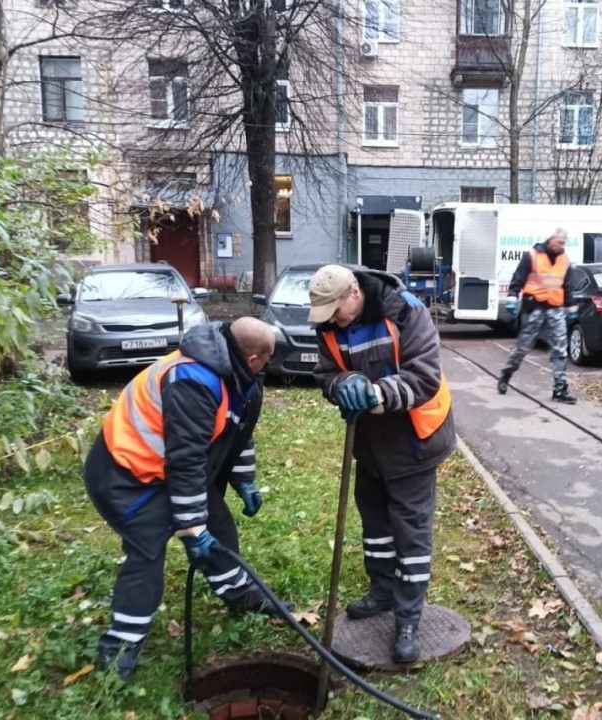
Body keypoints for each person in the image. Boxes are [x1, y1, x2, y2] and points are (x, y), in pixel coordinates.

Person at [84, 316, 287, 680]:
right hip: (126, 474)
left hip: (168, 470)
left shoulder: (236, 373)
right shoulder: (191, 381)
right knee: (147, 552)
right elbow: (187, 460)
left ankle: (238, 593)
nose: (268, 366)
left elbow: (235, 430)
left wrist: (245, 480)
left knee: (220, 525)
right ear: (254, 358)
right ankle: (119, 650)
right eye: (268, 358)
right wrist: (191, 528)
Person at [309, 264, 456, 664]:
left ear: (354, 294)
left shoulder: (407, 312)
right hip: (370, 445)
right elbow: (324, 374)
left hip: (414, 440)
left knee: (410, 533)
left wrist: (375, 393)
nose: (329, 321)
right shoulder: (328, 325)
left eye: (334, 311)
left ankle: (408, 618)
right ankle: (382, 592)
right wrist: (342, 385)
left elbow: (424, 377)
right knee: (374, 522)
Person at [497, 228, 579, 404]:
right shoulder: (533, 256)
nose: (562, 246)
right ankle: (506, 374)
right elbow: (518, 278)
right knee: (523, 347)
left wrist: (572, 309)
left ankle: (560, 389)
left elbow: (568, 286)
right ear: (551, 240)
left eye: (564, 243)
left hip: (555, 308)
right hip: (534, 307)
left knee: (559, 349)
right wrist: (512, 297)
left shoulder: (565, 260)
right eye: (560, 242)